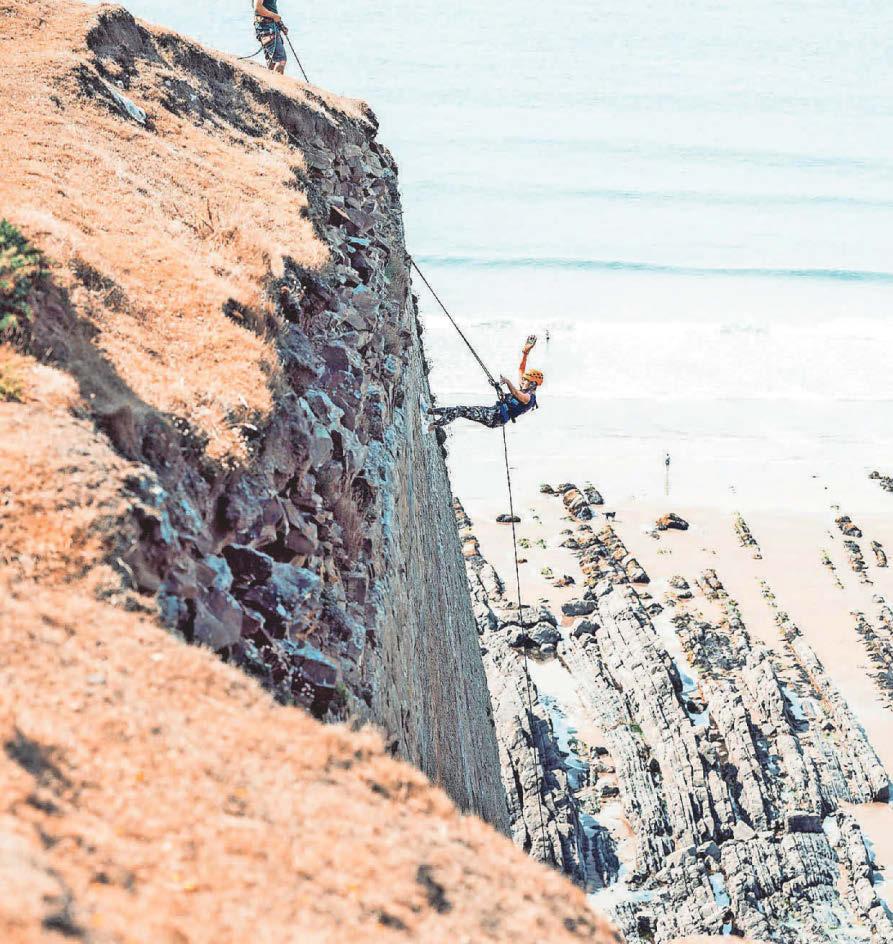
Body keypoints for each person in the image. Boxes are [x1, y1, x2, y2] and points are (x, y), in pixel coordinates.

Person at [430, 338, 543, 430]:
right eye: (523, 379)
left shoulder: (528, 398)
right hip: (494, 413)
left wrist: (508, 381)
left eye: (525, 380)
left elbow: (516, 393)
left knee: (460, 410)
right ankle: (430, 412)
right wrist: (525, 352)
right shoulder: (524, 389)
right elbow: (521, 368)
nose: (522, 381)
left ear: (533, 384)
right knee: (460, 410)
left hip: (495, 417)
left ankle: (433, 426)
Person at [254, 0, 288, 74]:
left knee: (272, 62)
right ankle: (277, 84)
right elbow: (258, 8)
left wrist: (280, 23)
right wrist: (275, 16)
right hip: (266, 26)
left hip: (269, 25)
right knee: (280, 60)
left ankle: (270, 82)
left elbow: (269, 7)